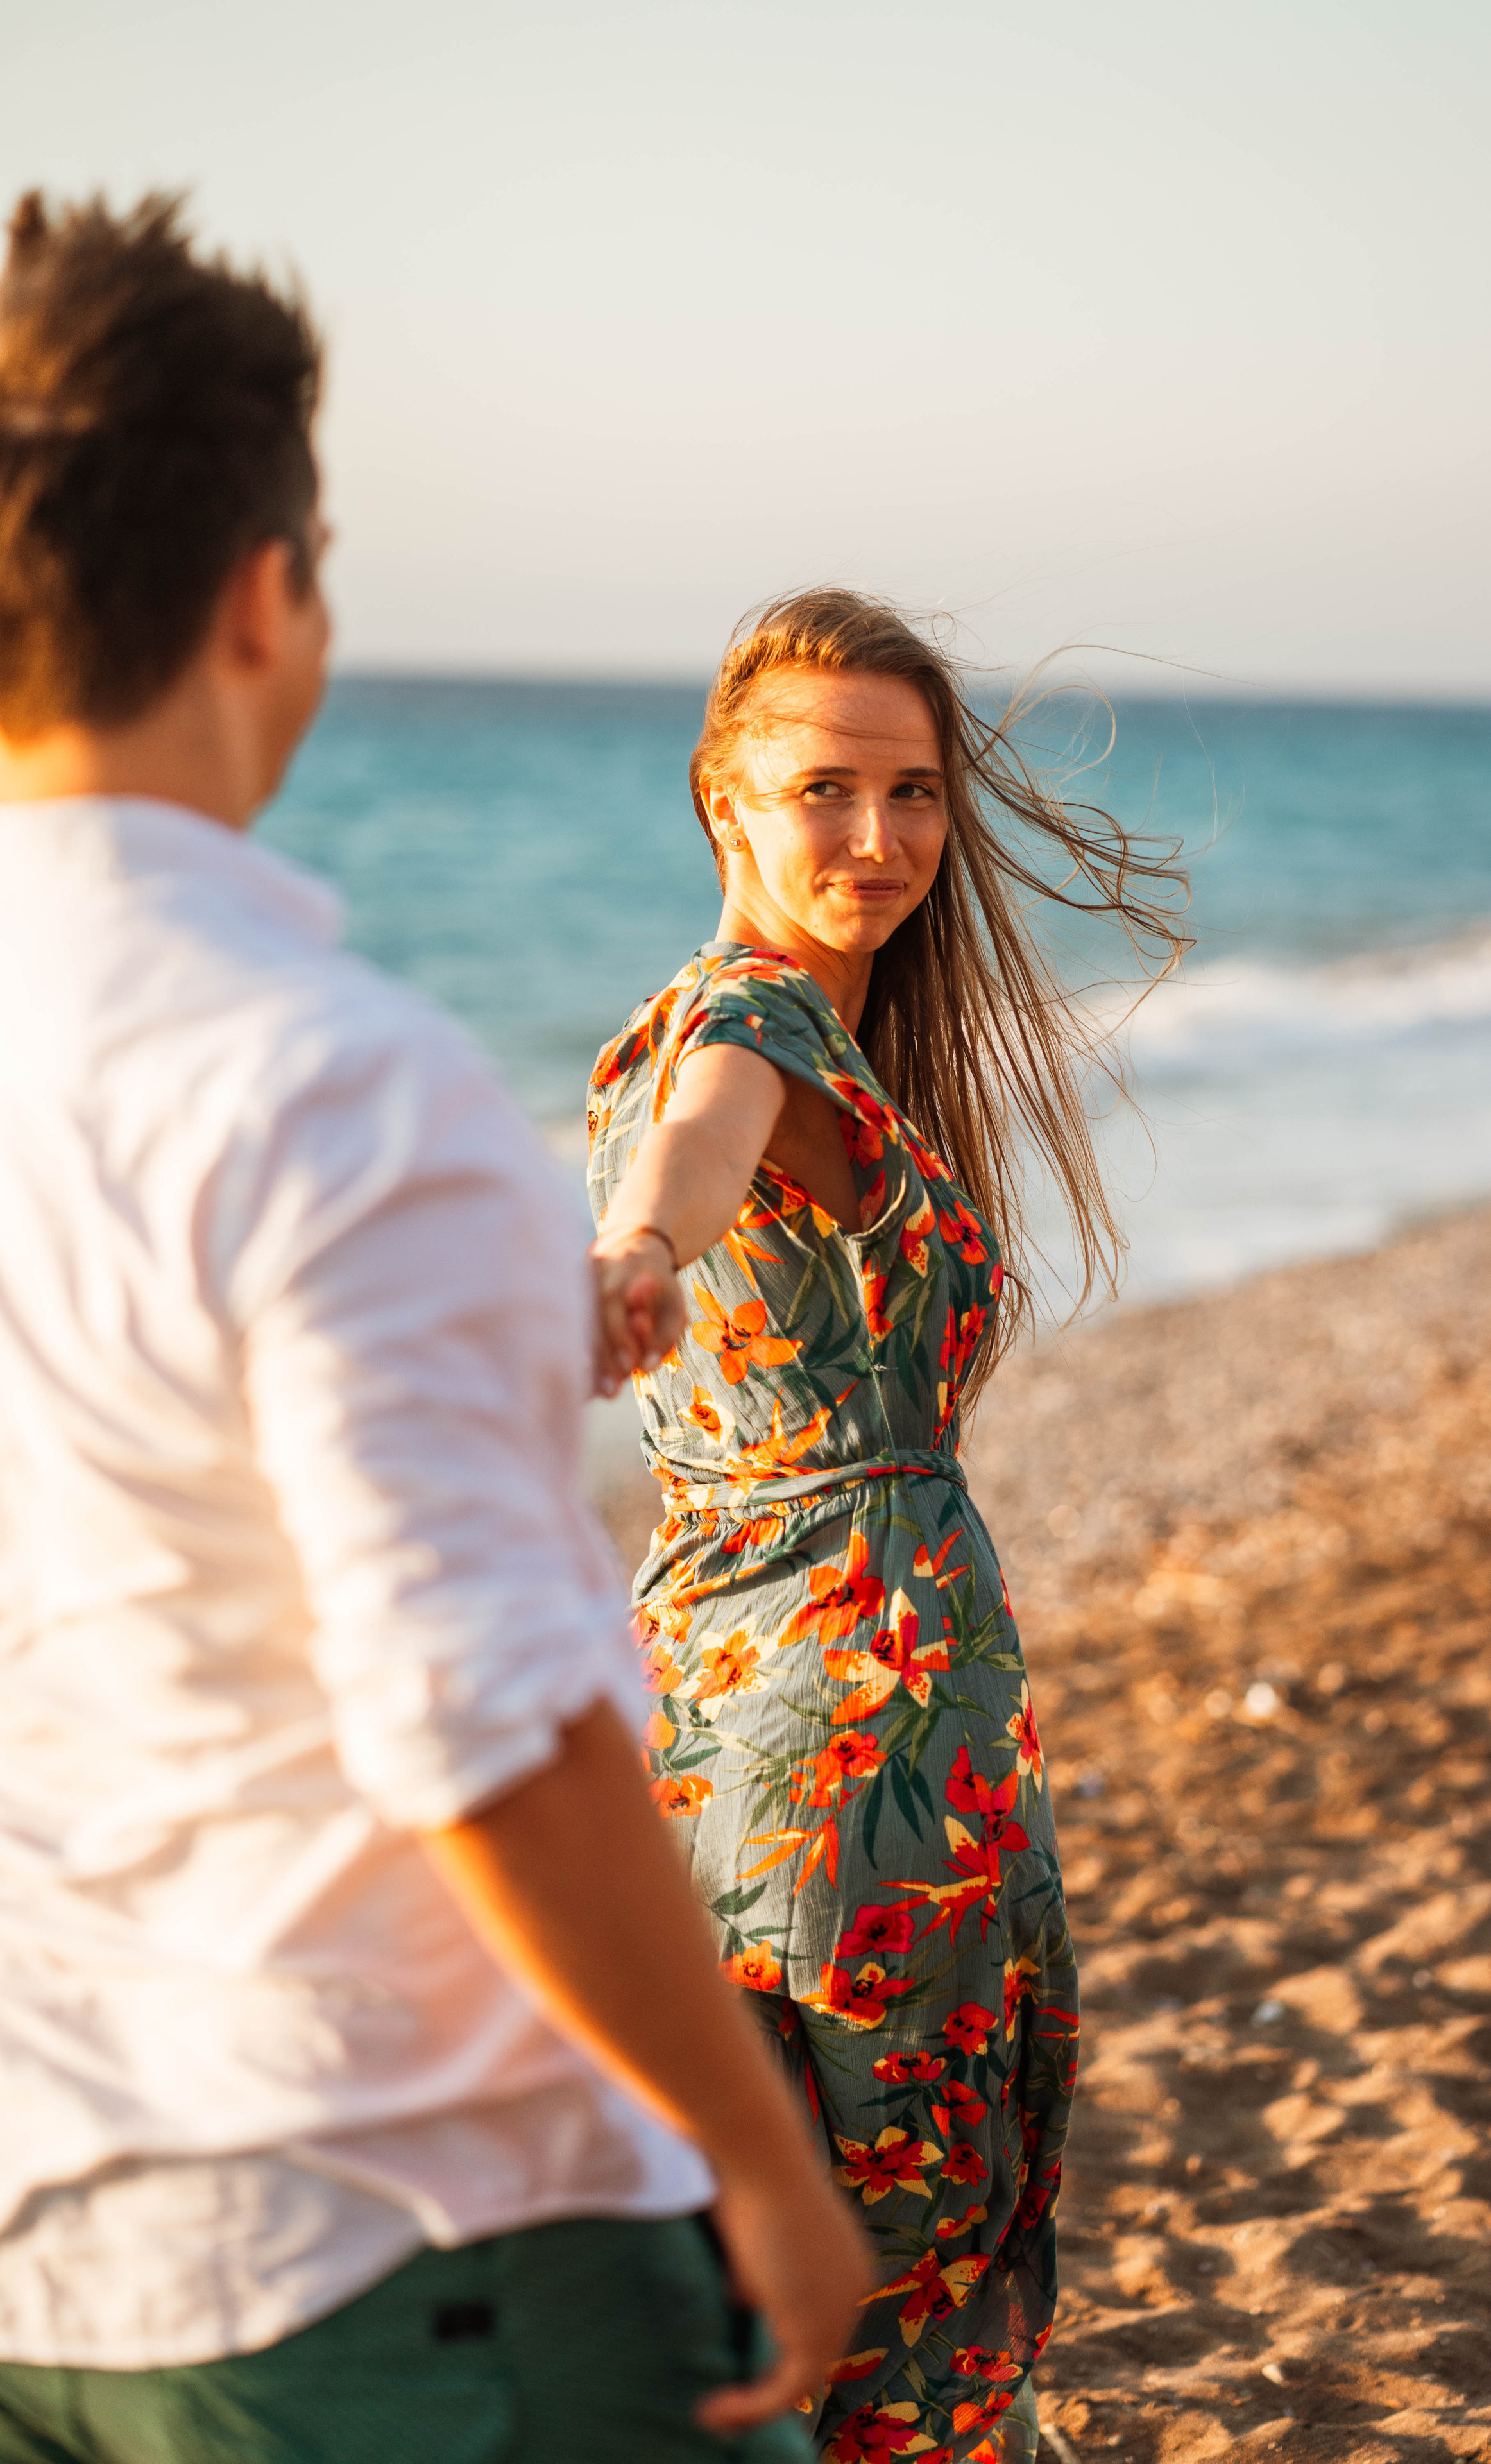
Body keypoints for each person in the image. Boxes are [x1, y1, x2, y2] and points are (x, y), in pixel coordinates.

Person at [0, 191, 868, 2464]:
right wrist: (765, 2166)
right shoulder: (327, 1081)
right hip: (394, 2225)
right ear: (271, 593)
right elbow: (484, 1726)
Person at [586, 592, 1188, 2464]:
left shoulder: (771, 1033)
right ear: (723, 807)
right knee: (889, 2179)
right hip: (842, 1717)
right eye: (822, 790)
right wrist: (641, 1251)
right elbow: (708, 1134)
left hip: (792, 1668)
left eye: (912, 791)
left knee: (832, 2154)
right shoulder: (751, 1025)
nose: (878, 839)